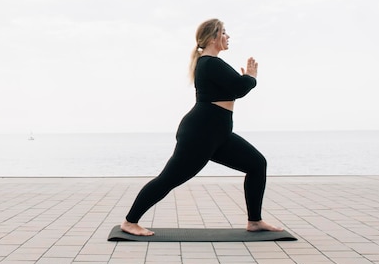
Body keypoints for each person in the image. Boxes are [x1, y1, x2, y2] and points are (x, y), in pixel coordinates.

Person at [121, 18, 283, 236]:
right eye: (224, 33)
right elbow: (239, 88)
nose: (228, 37)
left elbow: (235, 89)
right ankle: (130, 222)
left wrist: (246, 80)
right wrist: (251, 78)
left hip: (218, 133)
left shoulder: (210, 63)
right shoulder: (210, 63)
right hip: (201, 133)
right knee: (169, 179)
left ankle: (255, 221)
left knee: (256, 164)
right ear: (214, 37)